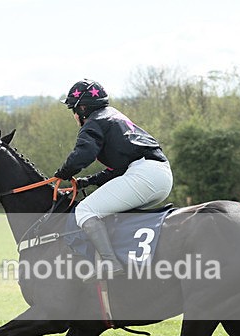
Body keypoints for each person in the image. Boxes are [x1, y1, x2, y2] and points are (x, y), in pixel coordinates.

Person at [53, 79, 173, 280]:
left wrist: (62, 173)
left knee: (85, 210)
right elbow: (118, 169)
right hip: (160, 175)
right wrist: (88, 181)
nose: (74, 116)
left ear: (82, 108)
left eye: (73, 109)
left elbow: (83, 154)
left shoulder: (94, 122)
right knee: (108, 213)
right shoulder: (113, 116)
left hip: (144, 175)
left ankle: (110, 263)